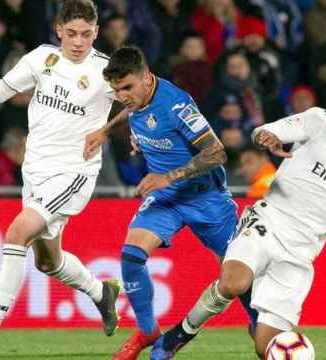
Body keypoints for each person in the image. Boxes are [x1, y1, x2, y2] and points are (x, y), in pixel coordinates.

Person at [151, 79, 326, 359]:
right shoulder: (318, 122)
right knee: (232, 284)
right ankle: (181, 333)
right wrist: (267, 137)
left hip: (300, 254)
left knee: (268, 348)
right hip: (268, 222)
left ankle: (259, 310)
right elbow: (264, 130)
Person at [0, 1, 124, 359]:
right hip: (36, 170)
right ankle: (101, 293)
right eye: (71, 33)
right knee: (48, 262)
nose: (78, 42)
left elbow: (141, 100)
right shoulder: (42, 58)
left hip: (74, 172)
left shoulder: (107, 70)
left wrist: (107, 131)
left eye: (86, 34)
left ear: (96, 32)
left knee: (17, 233)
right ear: (59, 29)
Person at [83, 46, 257, 360]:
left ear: (147, 79)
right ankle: (148, 331)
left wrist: (169, 176)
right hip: (167, 199)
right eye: (116, 89)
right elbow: (134, 109)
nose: (122, 95)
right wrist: (105, 131)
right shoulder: (137, 95)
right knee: (131, 256)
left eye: (127, 88)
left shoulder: (177, 105)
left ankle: (259, 324)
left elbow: (217, 151)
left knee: (237, 274)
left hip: (207, 198)